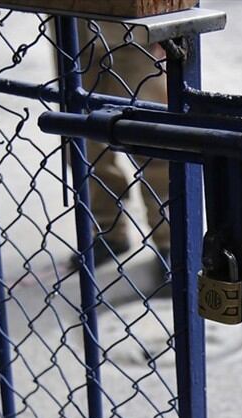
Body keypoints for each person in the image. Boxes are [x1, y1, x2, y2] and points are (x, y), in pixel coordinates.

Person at [76, 21, 170, 268]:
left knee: (154, 136)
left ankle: (170, 239)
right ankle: (108, 229)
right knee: (85, 141)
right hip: (71, 23)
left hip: (133, 24)